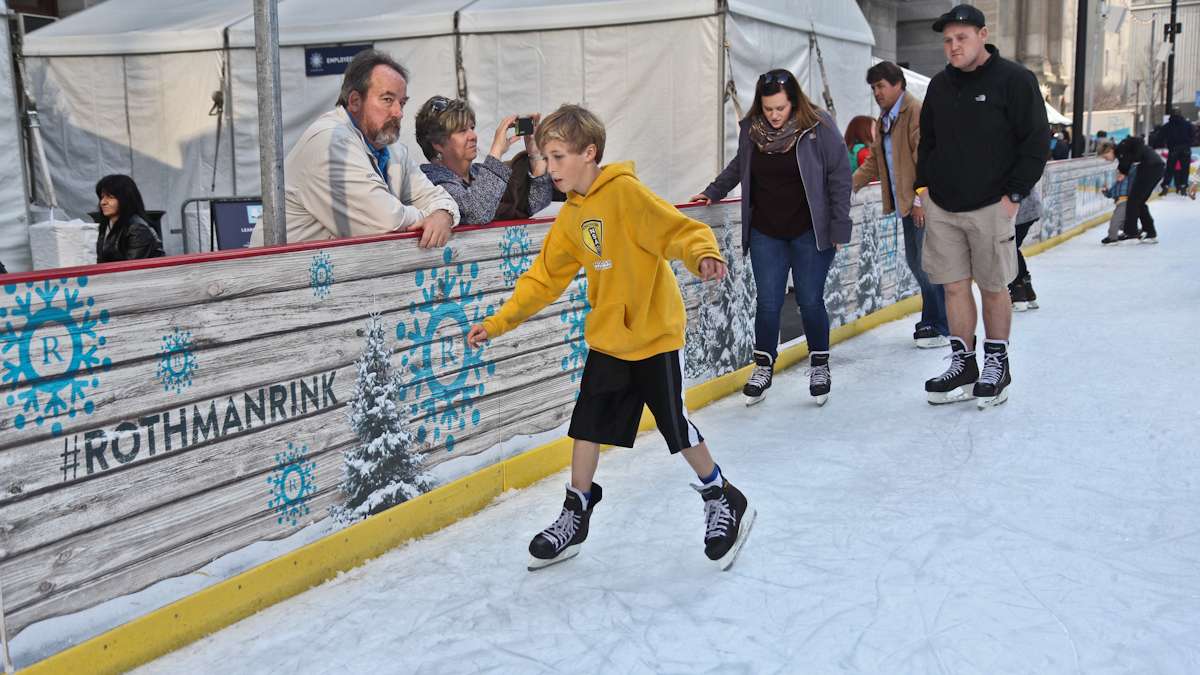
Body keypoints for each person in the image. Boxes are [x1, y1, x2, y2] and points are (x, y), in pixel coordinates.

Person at [466, 104, 754, 570]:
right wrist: (499, 322)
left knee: (675, 426)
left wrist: (701, 255)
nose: (550, 168)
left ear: (589, 153)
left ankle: (722, 495)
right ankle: (576, 512)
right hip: (609, 338)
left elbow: (679, 230)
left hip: (653, 334)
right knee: (587, 426)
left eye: (559, 157)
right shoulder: (571, 217)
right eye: (547, 157)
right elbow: (543, 280)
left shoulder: (626, 194)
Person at [690, 69, 852, 407]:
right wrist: (712, 192)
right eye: (768, 109)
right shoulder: (752, 131)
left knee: (809, 300)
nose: (775, 116)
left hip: (810, 231)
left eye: (780, 108)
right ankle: (763, 366)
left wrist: (839, 226)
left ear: (793, 102)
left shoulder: (818, 127)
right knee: (768, 302)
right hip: (766, 231)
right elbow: (739, 167)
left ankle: (819, 364)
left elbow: (839, 175)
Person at [915, 4, 1050, 409]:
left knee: (994, 287)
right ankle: (964, 362)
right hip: (943, 205)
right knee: (954, 286)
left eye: (961, 38)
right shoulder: (938, 86)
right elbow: (929, 142)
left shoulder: (1014, 80)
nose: (953, 47)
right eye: (947, 40)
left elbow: (1036, 141)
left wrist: (1014, 195)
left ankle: (997, 364)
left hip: (993, 204)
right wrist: (923, 188)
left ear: (982, 34)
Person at [249, 49, 459, 248]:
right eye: (387, 100)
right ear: (355, 101)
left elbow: (440, 198)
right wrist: (427, 217)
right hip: (279, 278)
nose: (398, 112)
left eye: (402, 103)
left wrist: (443, 214)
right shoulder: (330, 141)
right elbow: (384, 223)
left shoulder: (393, 150)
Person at [851, 60, 949, 349]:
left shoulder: (915, 111)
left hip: (922, 203)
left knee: (927, 264)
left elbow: (926, 158)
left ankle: (942, 324)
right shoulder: (884, 119)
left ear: (898, 85)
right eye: (873, 88)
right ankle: (931, 319)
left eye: (881, 86)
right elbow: (875, 161)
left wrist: (920, 198)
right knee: (916, 263)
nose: (877, 93)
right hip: (905, 203)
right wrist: (848, 185)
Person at [414, 97, 552, 223]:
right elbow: (478, 214)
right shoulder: (427, 180)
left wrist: (536, 155)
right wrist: (496, 151)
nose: (473, 135)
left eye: (472, 128)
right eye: (462, 130)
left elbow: (535, 205)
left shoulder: (479, 172)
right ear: (437, 143)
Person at [1103, 134, 1164, 243]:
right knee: (1138, 202)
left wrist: (1121, 171)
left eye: (1105, 156)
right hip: (1154, 167)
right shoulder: (1123, 150)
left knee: (1133, 201)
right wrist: (1122, 170)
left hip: (1150, 168)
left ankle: (1131, 232)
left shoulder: (1121, 150)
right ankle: (1149, 232)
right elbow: (1127, 163)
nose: (1105, 159)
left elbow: (1125, 165)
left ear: (1111, 150)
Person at [94, 174, 165, 263]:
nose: (103, 202)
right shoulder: (106, 226)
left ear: (125, 199)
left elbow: (132, 269)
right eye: (102, 197)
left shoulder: (137, 229)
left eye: (110, 197)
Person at [1008, 186, 1043, 311]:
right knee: (1012, 249)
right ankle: (1027, 291)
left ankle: (1018, 293)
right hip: (1028, 208)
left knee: (1008, 251)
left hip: (1017, 212)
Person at [1098, 153, 1137, 245]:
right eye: (1117, 173)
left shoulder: (1128, 181)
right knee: (1121, 223)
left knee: (1115, 220)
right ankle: (1134, 231)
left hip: (1125, 202)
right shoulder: (1116, 184)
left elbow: (1132, 170)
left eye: (1121, 173)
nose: (1119, 175)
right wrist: (1105, 191)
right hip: (1119, 203)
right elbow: (1110, 194)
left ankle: (1112, 237)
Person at [1159, 109, 1193, 196]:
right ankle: (1183, 186)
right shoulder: (1187, 124)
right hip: (1186, 149)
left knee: (1169, 169)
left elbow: (1160, 135)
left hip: (1173, 149)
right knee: (1185, 169)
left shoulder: (1168, 125)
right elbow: (1192, 134)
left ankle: (1166, 186)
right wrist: (1188, 143)